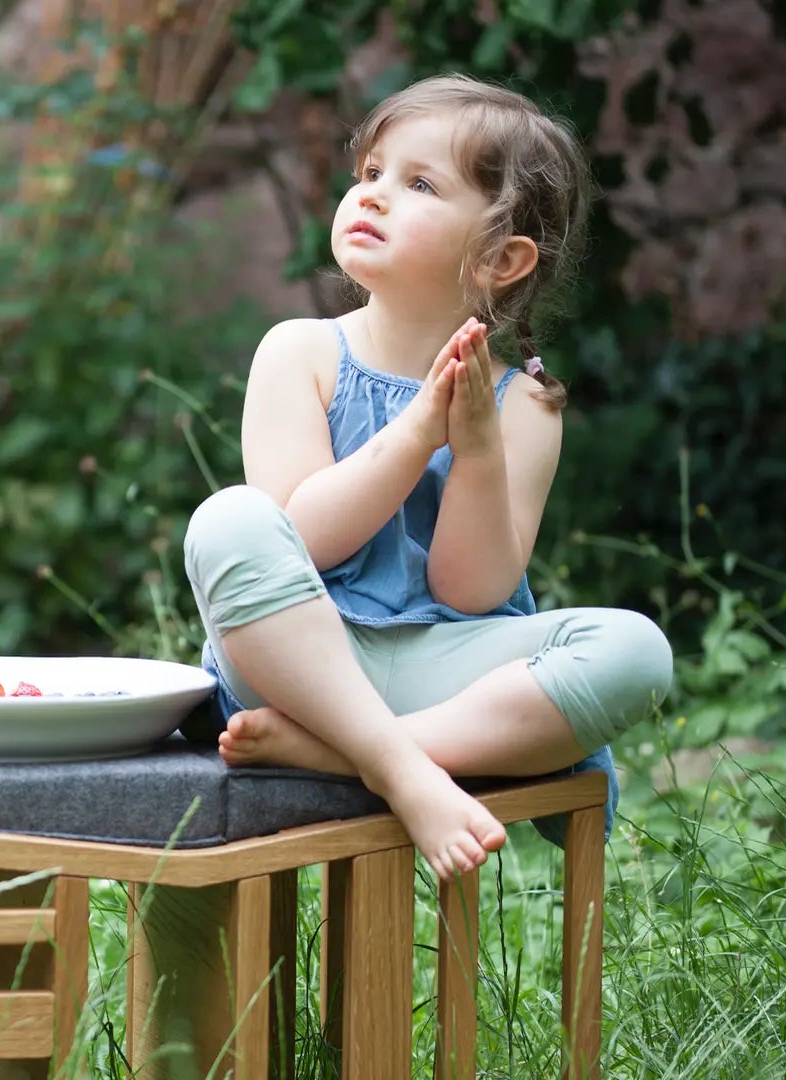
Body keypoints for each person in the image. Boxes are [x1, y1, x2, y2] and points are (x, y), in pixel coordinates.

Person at [182, 75, 673, 880]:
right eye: (370, 173)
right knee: (228, 520)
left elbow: (471, 591)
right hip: (303, 660)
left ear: (502, 258)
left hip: (448, 672)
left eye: (417, 184)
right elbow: (304, 535)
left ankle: (355, 756)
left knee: (637, 649)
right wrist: (417, 433)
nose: (371, 196)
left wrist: (475, 447)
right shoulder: (300, 352)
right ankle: (403, 768)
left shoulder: (526, 404)